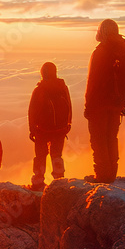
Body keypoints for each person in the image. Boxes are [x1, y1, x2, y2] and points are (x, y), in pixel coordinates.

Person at [83, 19, 125, 183]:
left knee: (99, 140)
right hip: (117, 103)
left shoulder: (101, 51)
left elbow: (93, 81)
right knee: (111, 138)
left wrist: (88, 106)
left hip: (100, 103)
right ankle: (111, 174)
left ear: (102, 32)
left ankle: (102, 175)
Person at [28, 62, 72, 190]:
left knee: (40, 156)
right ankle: (59, 180)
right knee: (57, 155)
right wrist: (68, 124)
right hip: (60, 129)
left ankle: (38, 181)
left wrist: (32, 129)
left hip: (42, 130)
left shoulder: (39, 89)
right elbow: (69, 106)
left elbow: (32, 111)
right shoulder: (63, 87)